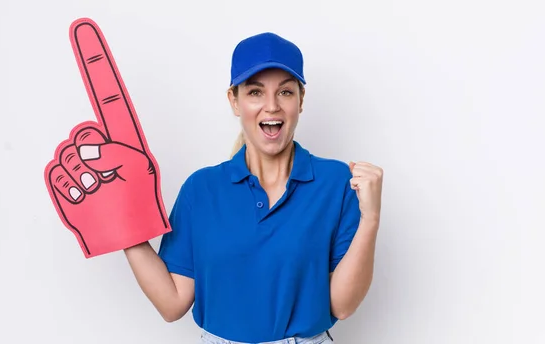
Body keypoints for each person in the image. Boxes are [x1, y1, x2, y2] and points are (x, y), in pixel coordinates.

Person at [123, 32, 383, 344]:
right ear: (235, 101)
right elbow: (172, 303)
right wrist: (122, 228)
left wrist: (371, 218)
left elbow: (343, 305)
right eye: (255, 92)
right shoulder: (201, 190)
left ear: (300, 101)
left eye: (285, 92)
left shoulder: (336, 183)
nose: (271, 106)